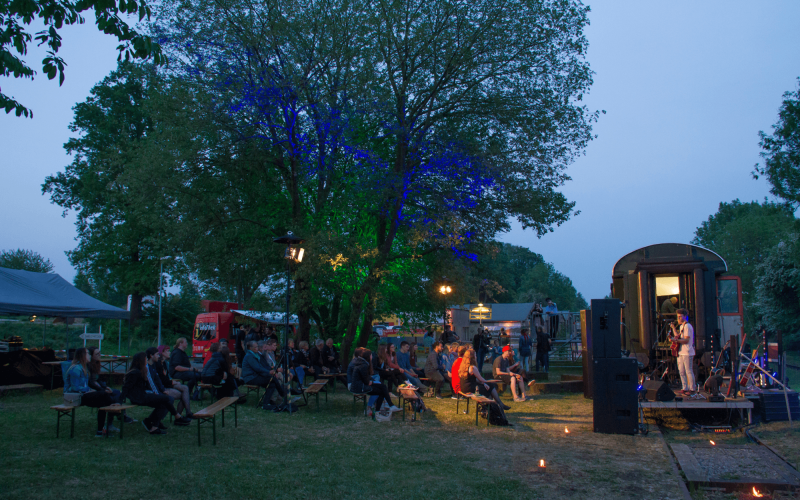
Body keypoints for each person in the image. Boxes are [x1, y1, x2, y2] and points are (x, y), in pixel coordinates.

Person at [120, 353, 182, 435]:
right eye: (145, 359)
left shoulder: (141, 371)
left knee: (164, 401)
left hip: (142, 395)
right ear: (141, 361)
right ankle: (176, 416)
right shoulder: (135, 373)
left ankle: (153, 425)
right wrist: (119, 402)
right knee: (166, 399)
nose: (146, 360)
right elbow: (126, 388)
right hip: (137, 398)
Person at [64, 347, 118, 437]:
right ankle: (113, 416)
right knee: (104, 395)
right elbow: (75, 387)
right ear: (82, 355)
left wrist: (91, 390)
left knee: (104, 400)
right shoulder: (76, 368)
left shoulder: (83, 367)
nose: (89, 355)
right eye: (87, 353)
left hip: (82, 395)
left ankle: (101, 430)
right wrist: (89, 390)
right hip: (74, 397)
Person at [347, 349, 400, 417]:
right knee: (382, 389)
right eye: (371, 355)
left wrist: (371, 381)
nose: (372, 356)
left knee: (382, 387)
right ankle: (385, 407)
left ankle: (387, 406)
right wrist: (371, 382)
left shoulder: (362, 363)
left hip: (361, 385)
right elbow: (365, 380)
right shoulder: (363, 365)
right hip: (359, 387)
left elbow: (365, 377)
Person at [459, 349, 509, 418]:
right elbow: (481, 379)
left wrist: (484, 383)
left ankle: (493, 406)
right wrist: (491, 381)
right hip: (470, 388)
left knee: (488, 386)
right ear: (472, 357)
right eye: (475, 355)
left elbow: (476, 379)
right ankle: (498, 404)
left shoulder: (463, 366)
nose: (476, 356)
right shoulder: (472, 367)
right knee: (490, 386)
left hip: (465, 387)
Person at [154, 345, 192, 419]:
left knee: (185, 388)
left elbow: (166, 378)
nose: (170, 352)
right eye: (168, 351)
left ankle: (187, 412)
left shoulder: (164, 363)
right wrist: (173, 382)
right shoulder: (157, 364)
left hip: (166, 384)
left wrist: (172, 382)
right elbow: (162, 380)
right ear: (162, 353)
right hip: (161, 387)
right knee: (183, 395)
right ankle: (179, 417)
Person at [670, 308, 696, 395]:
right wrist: (673, 329)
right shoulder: (682, 326)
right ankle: (685, 387)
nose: (678, 319)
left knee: (688, 370)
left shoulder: (688, 326)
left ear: (685, 316)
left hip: (687, 352)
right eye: (678, 317)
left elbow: (686, 340)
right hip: (681, 352)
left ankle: (692, 389)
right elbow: (678, 337)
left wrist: (675, 340)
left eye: (680, 317)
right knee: (681, 371)